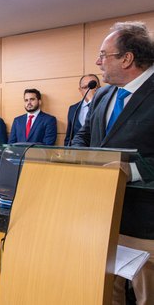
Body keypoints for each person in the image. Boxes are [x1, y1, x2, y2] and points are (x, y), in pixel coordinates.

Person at [71, 21, 154, 305]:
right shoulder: (104, 94)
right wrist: (78, 157)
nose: (98, 62)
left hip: (145, 223)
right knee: (106, 294)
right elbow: (83, 136)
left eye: (104, 55)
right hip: (101, 216)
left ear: (127, 58)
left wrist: (128, 171)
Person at [64, 74, 100, 146]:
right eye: (85, 87)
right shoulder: (73, 108)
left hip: (97, 152)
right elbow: (69, 135)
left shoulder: (103, 106)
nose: (89, 90)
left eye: (92, 87)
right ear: (80, 90)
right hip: (76, 152)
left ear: (99, 88)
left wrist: (92, 101)